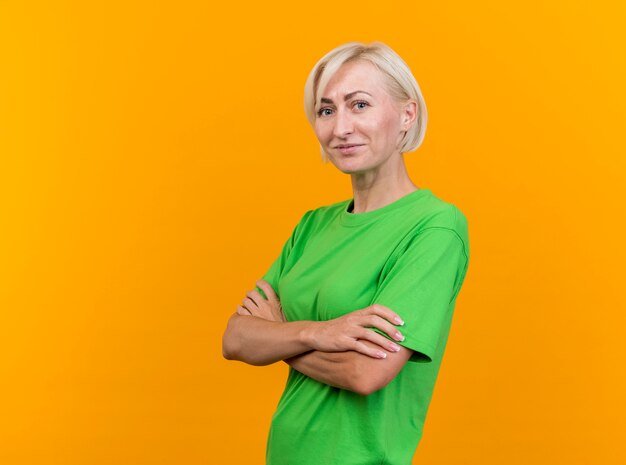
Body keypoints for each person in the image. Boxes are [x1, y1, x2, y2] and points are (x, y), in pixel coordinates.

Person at [222, 41, 470, 465]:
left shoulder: (435, 227)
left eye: (359, 105)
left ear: (407, 115)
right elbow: (235, 337)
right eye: (326, 110)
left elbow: (365, 372)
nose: (340, 128)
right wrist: (316, 333)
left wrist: (278, 334)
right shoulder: (313, 226)